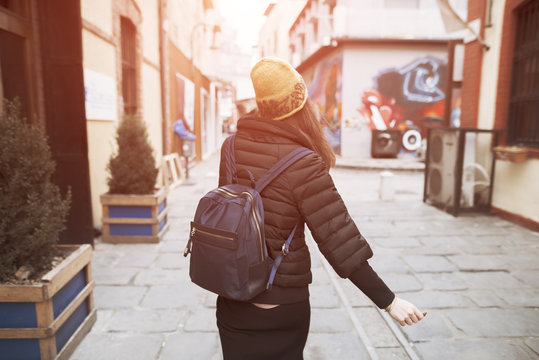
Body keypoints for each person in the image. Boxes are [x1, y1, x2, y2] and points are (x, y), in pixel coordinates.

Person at [216, 57, 425, 360]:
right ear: (299, 104)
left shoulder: (230, 147)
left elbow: (229, 216)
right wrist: (389, 301)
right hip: (282, 303)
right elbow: (338, 240)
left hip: (234, 296)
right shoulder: (304, 162)